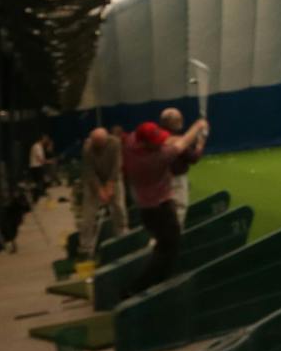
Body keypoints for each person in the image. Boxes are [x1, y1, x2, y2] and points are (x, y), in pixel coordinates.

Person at [121, 116, 207, 298]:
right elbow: (181, 144)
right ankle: (138, 288)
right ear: (145, 143)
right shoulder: (157, 158)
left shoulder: (130, 144)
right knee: (168, 250)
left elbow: (172, 142)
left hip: (147, 209)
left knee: (164, 248)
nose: (160, 143)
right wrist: (198, 126)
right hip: (160, 209)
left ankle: (153, 285)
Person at [73, 126, 127, 263]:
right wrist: (99, 191)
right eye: (95, 143)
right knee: (88, 215)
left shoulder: (114, 143)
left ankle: (123, 236)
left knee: (119, 208)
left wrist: (110, 186)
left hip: (113, 177)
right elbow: (89, 172)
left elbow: (117, 165)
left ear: (105, 139)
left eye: (100, 143)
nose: (97, 147)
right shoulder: (88, 149)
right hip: (93, 181)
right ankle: (85, 247)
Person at [158, 107, 204, 211]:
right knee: (179, 210)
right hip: (176, 180)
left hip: (158, 180)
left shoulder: (156, 137)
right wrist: (200, 144)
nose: (181, 121)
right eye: (178, 119)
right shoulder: (175, 141)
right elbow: (194, 158)